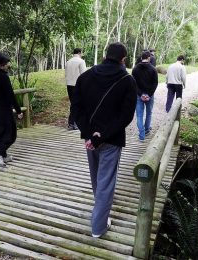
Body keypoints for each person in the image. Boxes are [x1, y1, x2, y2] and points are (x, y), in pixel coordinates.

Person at [71, 42, 137, 238]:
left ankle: (100, 215)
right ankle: (98, 227)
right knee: (106, 181)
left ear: (104, 55)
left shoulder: (85, 77)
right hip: (112, 138)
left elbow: (76, 109)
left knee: (96, 178)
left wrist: (91, 133)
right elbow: (126, 116)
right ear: (123, 59)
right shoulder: (127, 80)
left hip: (90, 139)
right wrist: (103, 135)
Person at [132, 51, 158, 141]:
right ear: (149, 58)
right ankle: (146, 130)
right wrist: (149, 95)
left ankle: (141, 135)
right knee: (149, 113)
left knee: (139, 115)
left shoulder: (135, 69)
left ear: (141, 58)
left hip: (139, 96)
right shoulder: (153, 69)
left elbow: (133, 84)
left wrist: (140, 94)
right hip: (149, 96)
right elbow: (155, 84)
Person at [65, 48, 87, 130]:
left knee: (73, 103)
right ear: (79, 52)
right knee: (77, 104)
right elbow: (84, 75)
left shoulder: (68, 61)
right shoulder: (81, 61)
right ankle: (72, 123)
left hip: (69, 85)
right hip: (77, 85)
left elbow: (66, 74)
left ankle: (73, 123)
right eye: (81, 53)